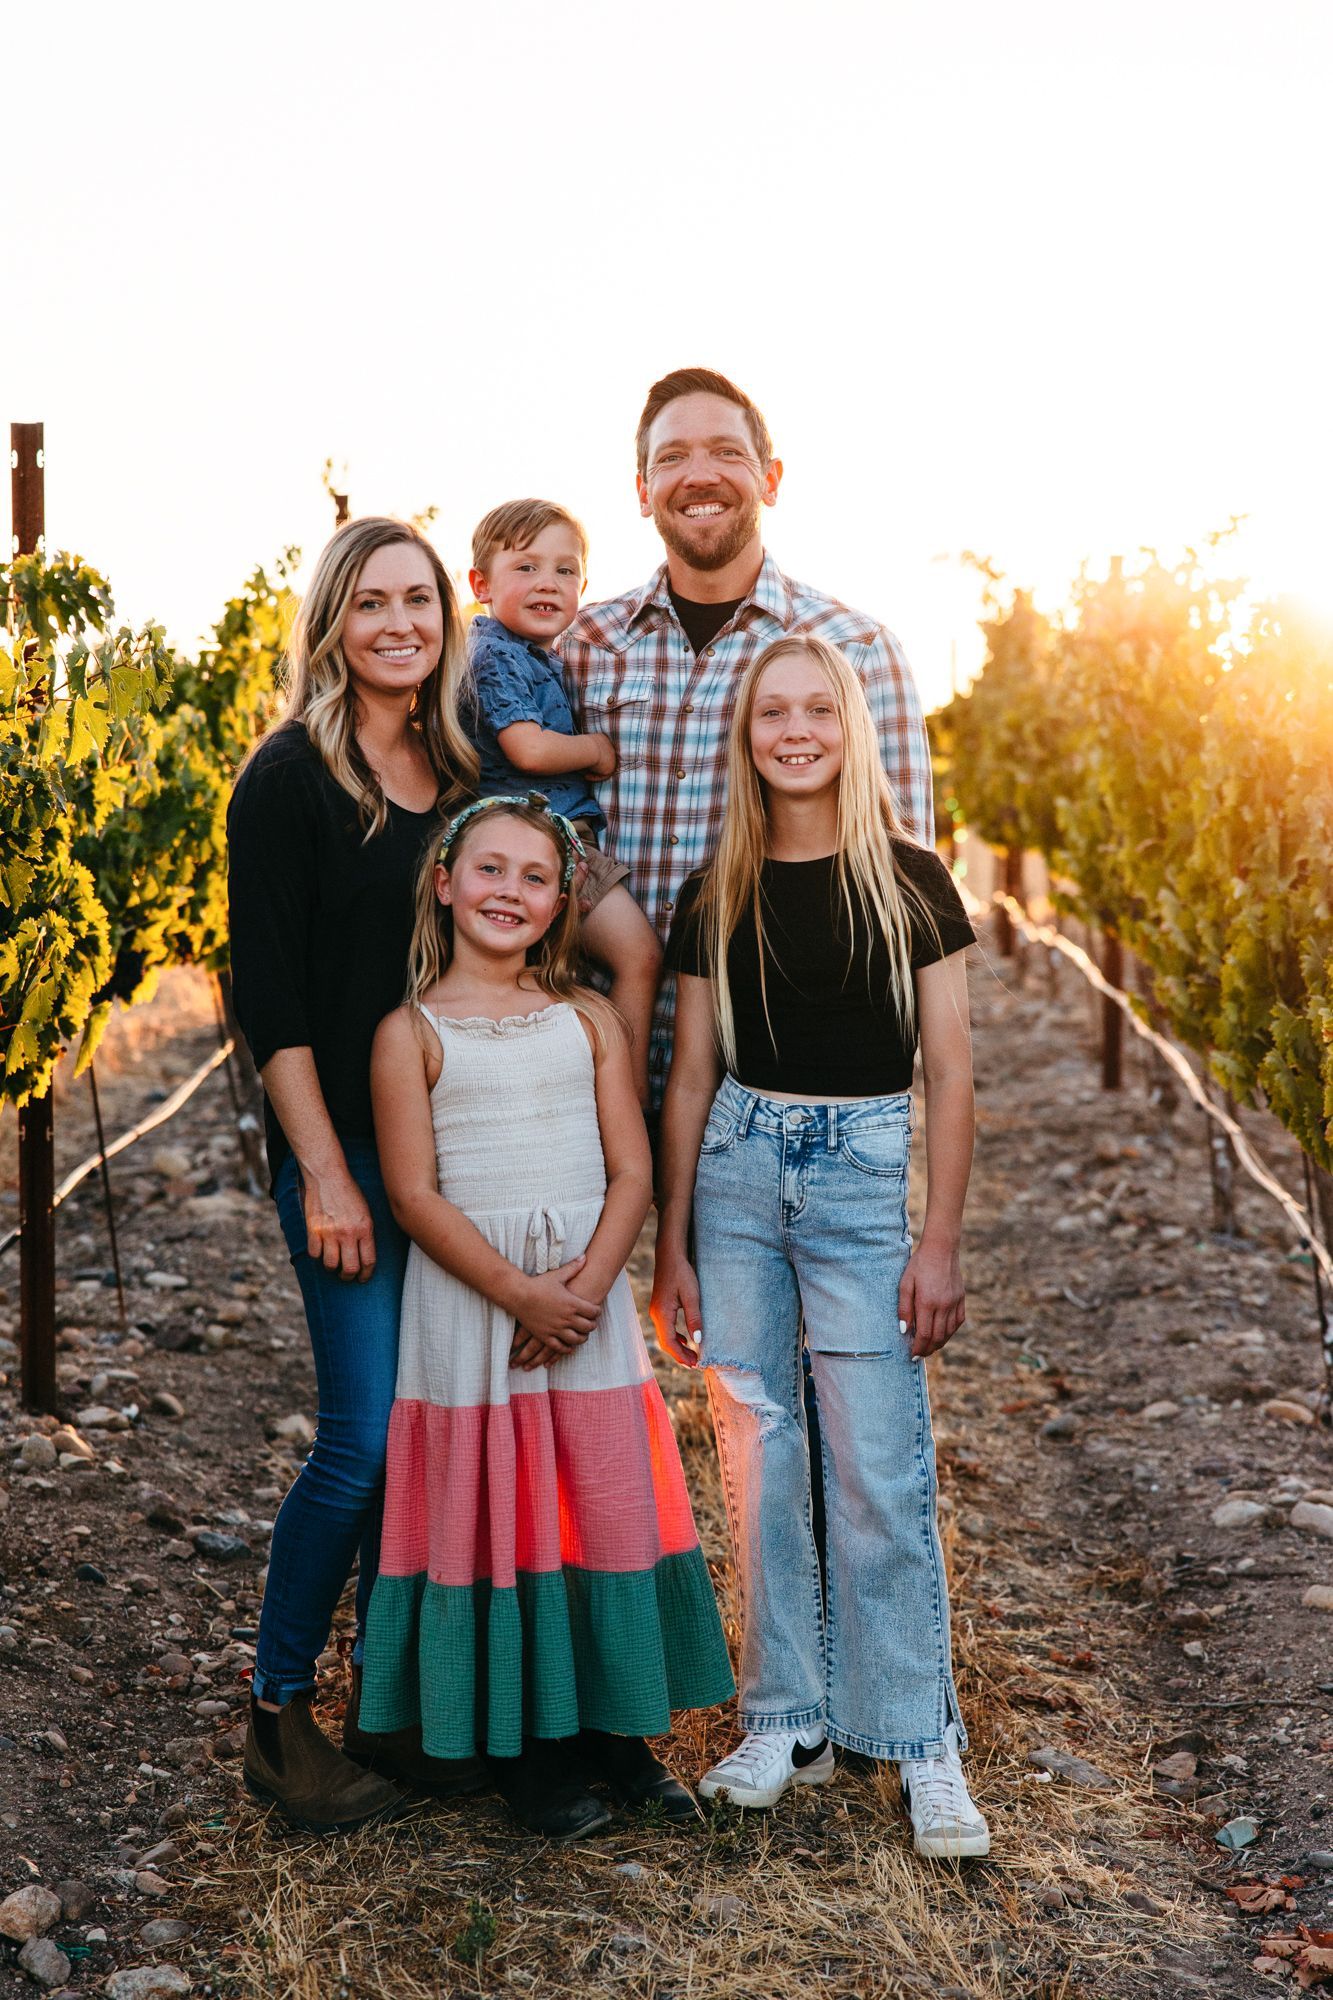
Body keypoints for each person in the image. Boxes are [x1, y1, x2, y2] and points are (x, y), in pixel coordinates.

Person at [650, 634, 990, 1860]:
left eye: (816, 709)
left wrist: (936, 1240)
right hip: (737, 1173)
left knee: (878, 1464)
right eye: (771, 712)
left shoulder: (909, 879)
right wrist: (670, 1245)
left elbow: (948, 1074)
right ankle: (780, 1715)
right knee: (756, 1447)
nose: (794, 728)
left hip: (857, 1179)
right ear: (745, 736)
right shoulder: (716, 886)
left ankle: (915, 1734)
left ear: (850, 726)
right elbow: (687, 1078)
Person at [357, 795, 734, 1838]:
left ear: (561, 899)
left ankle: (617, 1730)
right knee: (499, 1516)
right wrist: (520, 1293)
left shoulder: (586, 1018)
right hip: (476, 1315)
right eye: (489, 869)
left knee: (594, 1506)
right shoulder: (411, 1032)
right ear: (444, 880)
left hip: (584, 1307)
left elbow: (630, 1167)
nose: (509, 891)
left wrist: (581, 1289)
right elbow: (414, 1195)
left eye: (534, 876)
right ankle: (524, 1749)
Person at [227, 516, 481, 1833]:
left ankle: (396, 1705)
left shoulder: (462, 761)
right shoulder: (287, 778)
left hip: (459, 1158)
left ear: (447, 616)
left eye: (420, 599)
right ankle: (277, 1717)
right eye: (371, 600)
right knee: (364, 1442)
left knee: (440, 1437)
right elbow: (268, 1004)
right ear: (332, 621)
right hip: (351, 1163)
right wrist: (324, 1174)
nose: (399, 622)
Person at [561, 365, 935, 1113]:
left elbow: (898, 889)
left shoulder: (856, 651)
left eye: (725, 452)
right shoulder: (577, 646)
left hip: (766, 1082)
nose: (698, 475)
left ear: (769, 477)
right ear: (641, 491)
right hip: (586, 1057)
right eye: (670, 458)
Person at [465, 499, 662, 1101]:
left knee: (556, 987)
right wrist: (596, 751)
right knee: (639, 957)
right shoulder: (495, 655)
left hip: (544, 844)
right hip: (546, 847)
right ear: (481, 583)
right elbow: (525, 747)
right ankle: (620, 1105)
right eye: (526, 568)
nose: (548, 583)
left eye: (566, 570)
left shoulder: (531, 653)